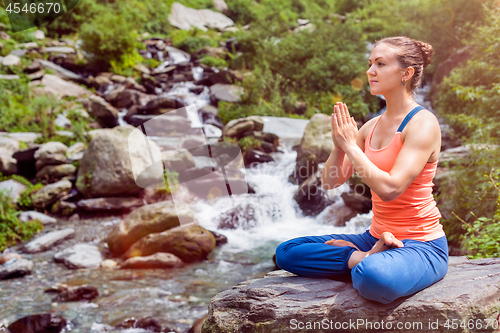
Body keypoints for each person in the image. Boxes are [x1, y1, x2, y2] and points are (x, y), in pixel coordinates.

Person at [275, 36, 448, 304]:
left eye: (380, 63)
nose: (370, 71)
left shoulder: (423, 124)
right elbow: (331, 181)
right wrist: (339, 146)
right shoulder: (370, 127)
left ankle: (368, 262)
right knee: (287, 251)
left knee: (373, 277)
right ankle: (363, 257)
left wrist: (351, 146)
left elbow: (390, 188)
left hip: (421, 245)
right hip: (374, 238)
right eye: (370, 64)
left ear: (406, 73)